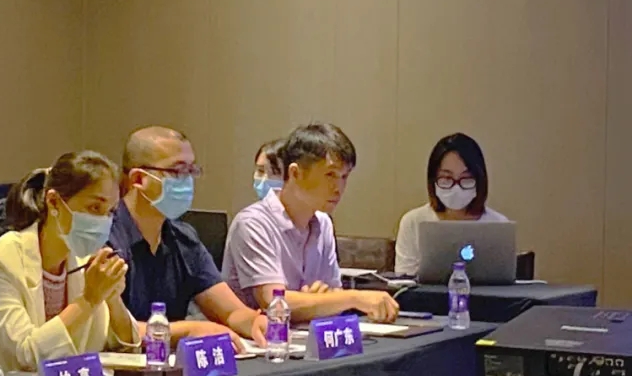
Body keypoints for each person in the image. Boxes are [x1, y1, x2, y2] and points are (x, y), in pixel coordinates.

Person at [0, 152, 140, 372]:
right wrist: (89, 299)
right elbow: (28, 356)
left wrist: (111, 297)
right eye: (94, 208)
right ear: (54, 202)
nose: (104, 221)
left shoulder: (85, 260)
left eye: (110, 212)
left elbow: (127, 348)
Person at [222, 123, 400, 322]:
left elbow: (333, 294)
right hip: (255, 337)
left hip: (306, 334)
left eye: (344, 176)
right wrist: (353, 298)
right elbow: (275, 303)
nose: (339, 187)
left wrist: (319, 301)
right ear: (295, 173)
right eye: (330, 175)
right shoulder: (253, 223)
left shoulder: (323, 223)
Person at [108, 126, 267, 350]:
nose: (188, 181)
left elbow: (231, 312)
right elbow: (112, 330)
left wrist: (255, 322)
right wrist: (190, 330)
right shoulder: (105, 237)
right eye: (178, 171)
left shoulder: (183, 238)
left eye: (192, 171)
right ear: (138, 179)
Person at [394, 133, 508, 276]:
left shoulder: (498, 225)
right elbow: (403, 279)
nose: (456, 187)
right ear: (433, 180)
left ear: (479, 180)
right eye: (447, 178)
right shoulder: (413, 222)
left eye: (466, 178)